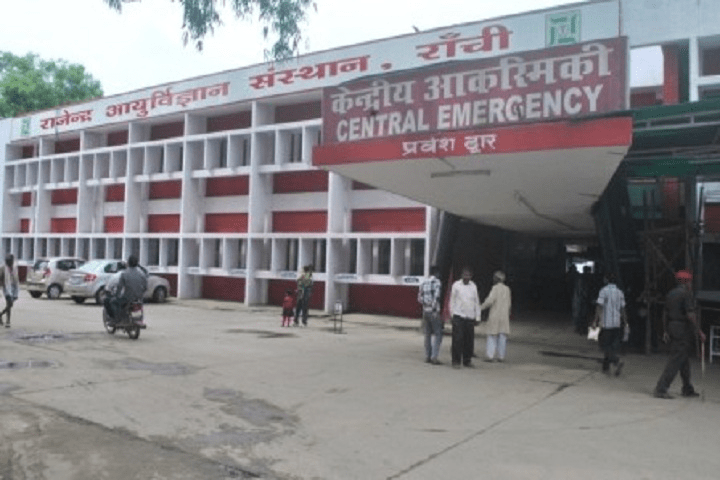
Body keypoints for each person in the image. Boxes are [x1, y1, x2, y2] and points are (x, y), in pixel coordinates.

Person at [653, 270, 705, 399]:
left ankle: (687, 388)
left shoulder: (671, 293)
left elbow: (665, 313)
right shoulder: (686, 294)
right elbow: (690, 314)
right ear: (687, 282)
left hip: (672, 326)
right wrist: (699, 330)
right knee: (676, 359)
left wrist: (665, 330)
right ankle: (661, 388)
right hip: (682, 328)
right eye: (690, 282)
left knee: (683, 359)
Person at [592, 273, 627, 376]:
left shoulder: (603, 291)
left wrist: (595, 320)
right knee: (611, 345)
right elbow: (623, 309)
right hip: (616, 323)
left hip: (606, 323)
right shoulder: (620, 292)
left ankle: (616, 361)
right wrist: (625, 321)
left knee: (604, 345)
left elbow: (599, 306)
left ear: (606, 280)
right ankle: (606, 367)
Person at [449, 266, 481, 368]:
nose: (466, 277)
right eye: (464, 275)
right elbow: (452, 300)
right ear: (461, 275)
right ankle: (456, 361)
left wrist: (478, 316)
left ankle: (467, 361)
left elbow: (476, 301)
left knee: (469, 340)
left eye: (468, 275)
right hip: (458, 316)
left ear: (471, 276)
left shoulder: (473, 286)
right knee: (457, 340)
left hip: (470, 317)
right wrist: (452, 314)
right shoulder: (456, 285)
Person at [480, 271, 512, 362]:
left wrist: (480, 307)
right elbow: (509, 303)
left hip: (495, 314)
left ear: (496, 279)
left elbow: (490, 301)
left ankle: (490, 356)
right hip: (504, 315)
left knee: (492, 335)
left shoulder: (495, 288)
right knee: (502, 336)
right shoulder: (507, 289)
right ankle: (501, 356)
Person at [106, 255, 147, 324]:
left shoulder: (124, 273)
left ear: (128, 263)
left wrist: (116, 296)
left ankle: (115, 319)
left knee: (112, 301)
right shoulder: (142, 273)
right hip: (139, 298)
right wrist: (140, 294)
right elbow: (145, 287)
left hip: (127, 298)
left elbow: (119, 287)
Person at [418, 265, 443, 365]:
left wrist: (426, 304)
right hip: (433, 311)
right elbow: (436, 297)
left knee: (427, 334)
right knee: (438, 334)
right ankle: (434, 357)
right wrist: (434, 309)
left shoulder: (423, 282)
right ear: (437, 273)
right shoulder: (437, 282)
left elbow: (419, 298)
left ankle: (427, 356)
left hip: (425, 311)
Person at [0, 254, 19, 328]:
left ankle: (1, 315)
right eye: (9, 261)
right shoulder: (2, 268)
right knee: (10, 304)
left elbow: (16, 279)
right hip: (6, 288)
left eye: (11, 261)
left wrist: (16, 291)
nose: (11, 262)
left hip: (13, 288)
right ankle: (8, 321)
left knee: (9, 305)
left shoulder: (14, 268)